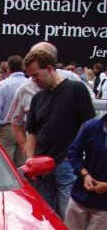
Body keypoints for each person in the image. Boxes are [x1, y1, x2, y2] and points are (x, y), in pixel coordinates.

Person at [24, 49, 96, 219]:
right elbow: (31, 132)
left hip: (67, 166)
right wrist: (30, 161)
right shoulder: (38, 98)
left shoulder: (75, 88)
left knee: (68, 219)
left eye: (35, 75)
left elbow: (88, 123)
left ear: (49, 68)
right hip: (42, 168)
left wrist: (72, 152)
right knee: (44, 219)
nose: (33, 80)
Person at [0, 55, 26, 166]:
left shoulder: (4, 84)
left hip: (7, 129)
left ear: (8, 68)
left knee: (5, 166)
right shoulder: (30, 83)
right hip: (24, 128)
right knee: (21, 166)